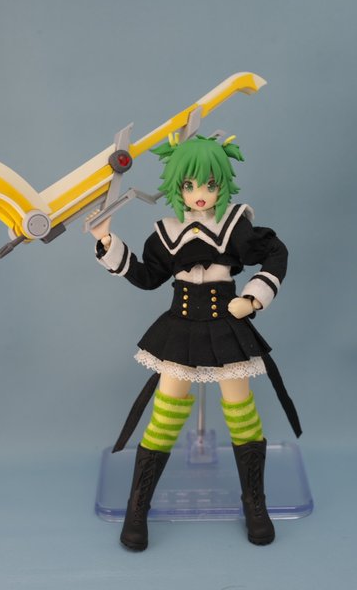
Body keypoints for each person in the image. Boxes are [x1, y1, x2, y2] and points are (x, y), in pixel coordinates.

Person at [90, 134, 301, 551]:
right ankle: (138, 506)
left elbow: (275, 253)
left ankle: (254, 502)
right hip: (181, 328)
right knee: (166, 412)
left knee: (241, 409)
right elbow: (147, 276)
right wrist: (108, 242)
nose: (199, 193)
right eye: (189, 185)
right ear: (176, 186)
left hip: (227, 327)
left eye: (209, 184)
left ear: (222, 184)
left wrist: (253, 298)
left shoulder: (235, 225)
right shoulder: (166, 233)